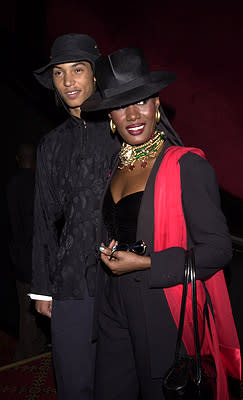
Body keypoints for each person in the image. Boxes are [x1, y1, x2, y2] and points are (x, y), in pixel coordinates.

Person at [82, 47, 241, 400]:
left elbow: (218, 249)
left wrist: (148, 263)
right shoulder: (115, 167)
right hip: (112, 305)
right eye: (122, 105)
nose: (133, 114)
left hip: (161, 310)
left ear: (156, 103)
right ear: (110, 114)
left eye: (141, 101)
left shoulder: (187, 166)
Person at [29, 34, 118, 400]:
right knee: (75, 385)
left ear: (95, 75)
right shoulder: (51, 144)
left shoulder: (122, 125)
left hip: (123, 278)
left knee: (121, 383)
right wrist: (42, 287)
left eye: (77, 70)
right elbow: (44, 218)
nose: (68, 82)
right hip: (70, 286)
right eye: (60, 73)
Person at [6, 143, 48, 361]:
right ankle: (28, 357)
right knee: (33, 312)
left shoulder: (11, 185)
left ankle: (33, 351)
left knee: (28, 309)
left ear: (17, 158)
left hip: (19, 256)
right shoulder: (38, 183)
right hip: (35, 257)